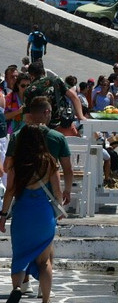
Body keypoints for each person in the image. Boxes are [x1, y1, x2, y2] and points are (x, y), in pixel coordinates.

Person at [1, 125, 62, 303]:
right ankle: (46, 300)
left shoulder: (16, 163)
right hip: (43, 213)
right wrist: (59, 208)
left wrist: (3, 215)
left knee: (20, 256)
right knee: (44, 262)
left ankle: (17, 288)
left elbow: (10, 191)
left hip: (22, 213)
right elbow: (58, 192)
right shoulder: (49, 161)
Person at [6, 96, 73, 208]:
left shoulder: (16, 136)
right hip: (48, 197)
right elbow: (68, 169)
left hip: (22, 196)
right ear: (46, 112)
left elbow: (7, 165)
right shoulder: (58, 138)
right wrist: (67, 190)